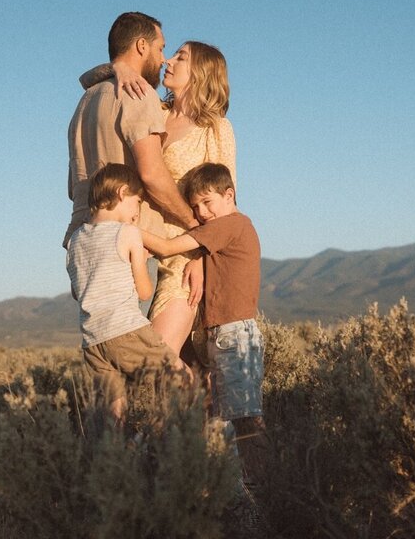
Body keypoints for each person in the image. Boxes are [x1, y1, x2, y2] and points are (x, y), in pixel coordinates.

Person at [81, 40, 236, 361]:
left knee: (159, 357)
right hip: (137, 246)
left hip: (185, 255)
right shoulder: (152, 109)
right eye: (171, 53)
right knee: (127, 357)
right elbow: (88, 80)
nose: (167, 60)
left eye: (181, 57)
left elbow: (226, 208)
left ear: (201, 72)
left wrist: (202, 259)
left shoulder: (217, 129)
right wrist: (120, 67)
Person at [139, 162, 266, 484]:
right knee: (225, 416)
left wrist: (126, 232)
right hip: (221, 334)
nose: (201, 212)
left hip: (234, 334)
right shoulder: (227, 228)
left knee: (245, 418)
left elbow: (168, 247)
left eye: (207, 202)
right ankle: (236, 484)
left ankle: (265, 483)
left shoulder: (229, 225)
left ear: (229, 194)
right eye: (195, 206)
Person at [65, 12, 197, 256]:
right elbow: (151, 173)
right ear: (141, 45)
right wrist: (192, 222)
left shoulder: (85, 101)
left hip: (83, 243)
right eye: (160, 49)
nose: (163, 60)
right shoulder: (139, 93)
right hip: (131, 244)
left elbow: (73, 187)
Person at [66, 163, 184, 423]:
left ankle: (117, 460)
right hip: (127, 332)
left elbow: (77, 293)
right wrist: (139, 258)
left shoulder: (75, 240)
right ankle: (183, 448)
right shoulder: (128, 233)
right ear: (122, 193)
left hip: (93, 342)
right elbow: (144, 292)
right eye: (137, 201)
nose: (137, 210)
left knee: (114, 414)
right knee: (182, 378)